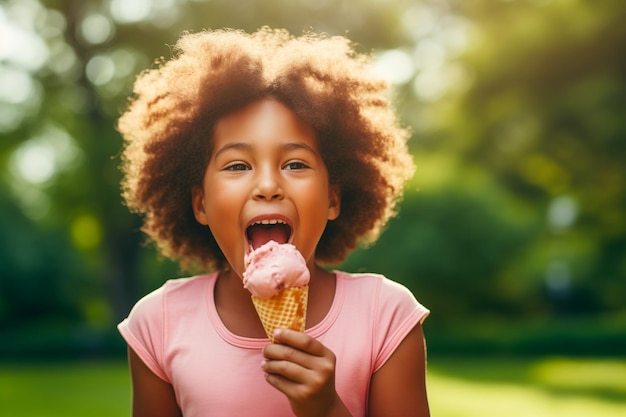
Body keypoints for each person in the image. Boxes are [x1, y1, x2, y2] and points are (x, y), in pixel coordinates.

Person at [117, 27, 430, 417]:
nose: (267, 186)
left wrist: (326, 408)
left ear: (333, 198)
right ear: (200, 204)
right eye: (237, 165)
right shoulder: (158, 323)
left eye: (295, 164)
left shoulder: (386, 317)